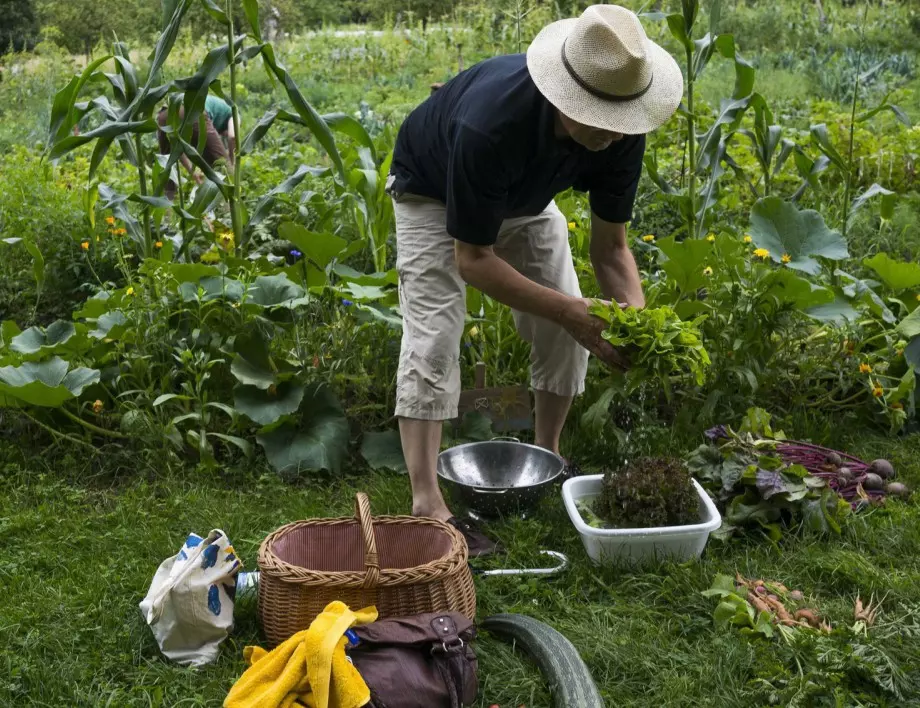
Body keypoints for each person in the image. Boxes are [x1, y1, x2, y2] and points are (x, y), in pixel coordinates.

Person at [387, 5, 682, 555]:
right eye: (592, 116)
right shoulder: (491, 123)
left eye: (617, 122)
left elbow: (611, 248)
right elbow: (472, 258)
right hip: (432, 193)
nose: (606, 134)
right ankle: (427, 500)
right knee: (435, 334)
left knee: (573, 326)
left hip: (524, 202)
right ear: (560, 93)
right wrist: (571, 311)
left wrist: (638, 322)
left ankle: (549, 456)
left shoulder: (620, 129)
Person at [156, 95, 237, 200]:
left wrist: (192, 171)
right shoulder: (233, 112)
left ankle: (166, 212)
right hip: (192, 110)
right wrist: (232, 161)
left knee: (167, 167)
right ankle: (228, 212)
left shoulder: (217, 109)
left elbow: (177, 149)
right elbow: (233, 136)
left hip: (165, 113)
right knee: (225, 171)